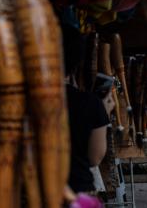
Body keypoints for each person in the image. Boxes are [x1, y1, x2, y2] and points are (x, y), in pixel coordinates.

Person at [61, 24, 115, 196]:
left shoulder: (22, 100)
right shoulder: (90, 104)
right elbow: (95, 157)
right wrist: (102, 114)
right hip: (76, 190)